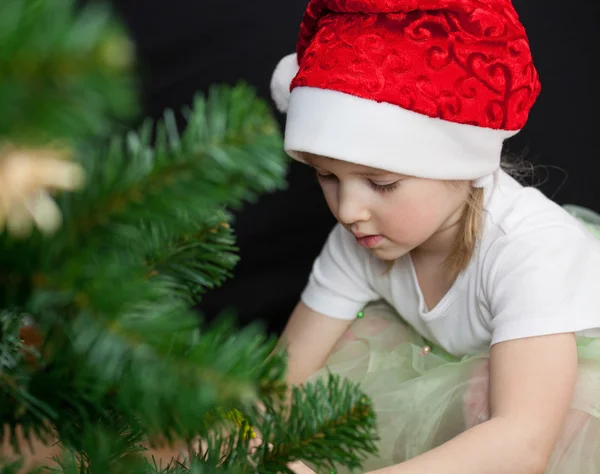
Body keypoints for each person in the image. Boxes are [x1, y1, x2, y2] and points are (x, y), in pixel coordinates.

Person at [269, 0, 600, 472]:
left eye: (381, 183)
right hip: (458, 372)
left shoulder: (529, 249)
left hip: (545, 402)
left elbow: (522, 442)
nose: (348, 211)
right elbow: (281, 377)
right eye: (326, 177)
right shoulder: (359, 239)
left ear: (459, 168)